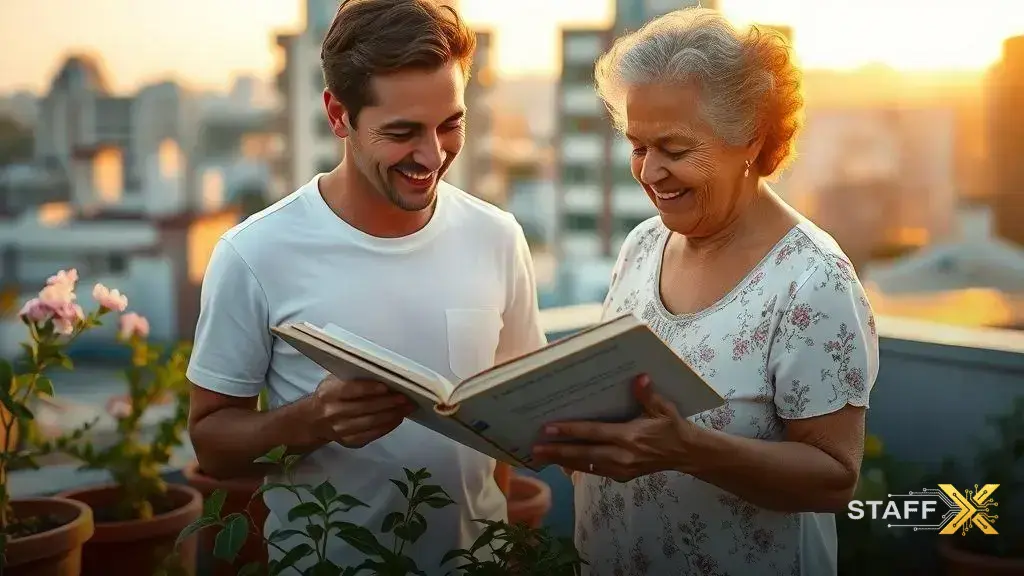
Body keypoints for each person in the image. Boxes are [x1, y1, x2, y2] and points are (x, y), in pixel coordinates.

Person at [185, 0, 546, 572]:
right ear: (337, 114)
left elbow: (508, 430)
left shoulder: (497, 237)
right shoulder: (253, 253)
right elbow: (211, 442)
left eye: (450, 124)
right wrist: (312, 421)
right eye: (402, 133)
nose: (432, 155)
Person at [531, 8, 879, 576]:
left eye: (675, 148)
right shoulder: (643, 246)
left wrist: (687, 450)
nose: (649, 173)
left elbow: (834, 478)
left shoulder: (812, 281)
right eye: (638, 146)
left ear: (751, 140)